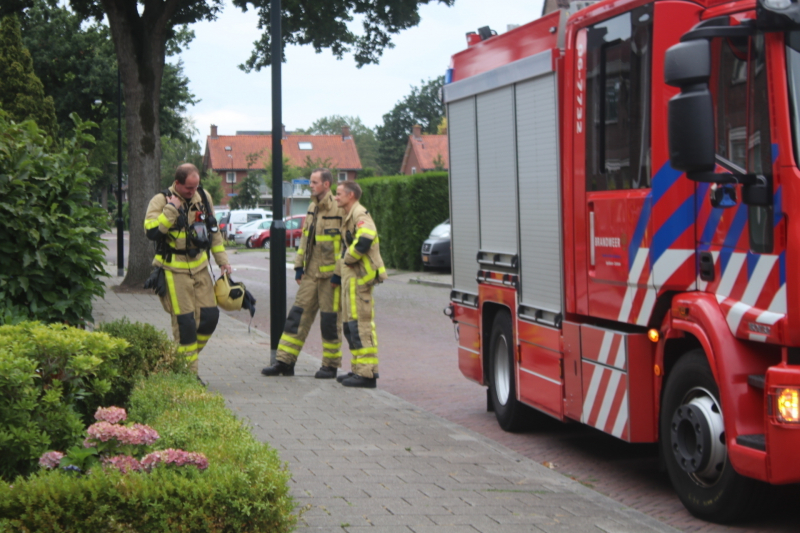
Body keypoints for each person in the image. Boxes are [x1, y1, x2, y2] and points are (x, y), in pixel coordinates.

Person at [144, 163, 232, 372]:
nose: (192, 192)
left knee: (210, 317)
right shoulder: (161, 200)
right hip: (174, 272)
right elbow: (151, 231)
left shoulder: (203, 197)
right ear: (177, 183)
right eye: (188, 189)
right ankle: (187, 375)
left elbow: (214, 233)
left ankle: (177, 362)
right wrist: (171, 209)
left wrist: (223, 261)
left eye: (195, 187)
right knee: (186, 325)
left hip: (200, 268)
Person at [261, 168, 345, 378]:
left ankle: (330, 365)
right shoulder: (312, 208)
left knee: (329, 322)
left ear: (326, 185)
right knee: (296, 317)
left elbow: (346, 246)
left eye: (314, 182)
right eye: (310, 182)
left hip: (331, 280)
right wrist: (298, 266)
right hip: (310, 274)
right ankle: (284, 362)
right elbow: (305, 241)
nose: (311, 186)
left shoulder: (340, 209)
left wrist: (338, 274)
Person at [332, 181, 387, 388]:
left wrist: (348, 258)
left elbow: (365, 239)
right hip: (352, 281)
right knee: (351, 326)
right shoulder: (349, 215)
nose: (335, 197)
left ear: (351, 195)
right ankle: (358, 369)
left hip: (360, 281)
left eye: (338, 194)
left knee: (360, 326)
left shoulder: (359, 214)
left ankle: (366, 375)